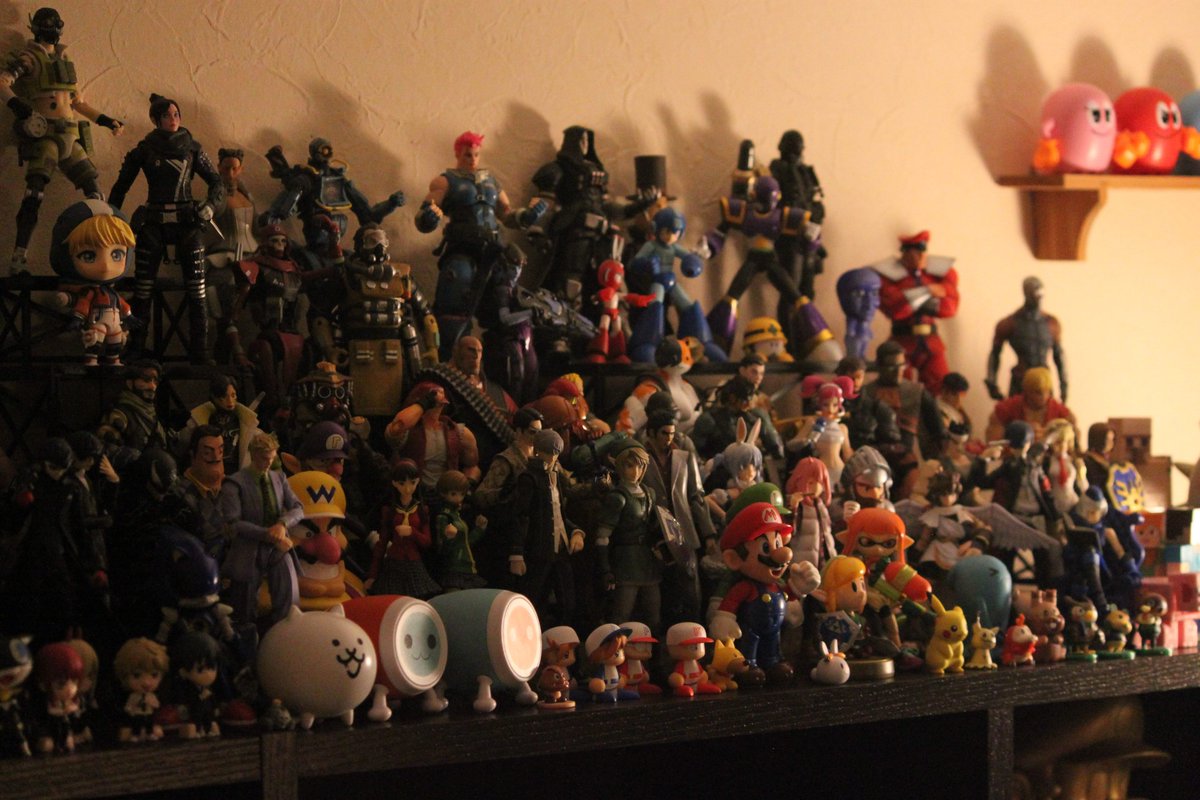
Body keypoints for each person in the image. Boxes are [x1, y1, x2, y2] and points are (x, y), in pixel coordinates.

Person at [1, 7, 124, 274]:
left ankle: (101, 256)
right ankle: (19, 257)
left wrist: (105, 120)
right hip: (46, 136)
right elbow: (3, 81)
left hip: (70, 135)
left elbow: (78, 102)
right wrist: (18, 107)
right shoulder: (29, 58)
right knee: (34, 195)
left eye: (55, 25)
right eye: (48, 25)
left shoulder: (64, 59)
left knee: (95, 194)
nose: (52, 31)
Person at [108, 93, 225, 363]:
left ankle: (200, 351)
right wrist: (111, 217)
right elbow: (121, 186)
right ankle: (136, 347)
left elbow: (216, 181)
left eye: (176, 114)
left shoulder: (193, 149)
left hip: (188, 222)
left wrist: (210, 205)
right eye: (166, 116)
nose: (173, 120)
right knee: (143, 290)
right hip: (153, 222)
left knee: (197, 290)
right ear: (155, 120)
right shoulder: (145, 149)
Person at [416, 131, 545, 354]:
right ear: (458, 154)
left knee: (503, 305)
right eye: (468, 154)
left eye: (476, 154)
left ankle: (503, 358)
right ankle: (450, 357)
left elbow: (507, 215)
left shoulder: (491, 182)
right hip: (462, 249)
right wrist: (428, 217)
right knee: (454, 302)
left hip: (494, 251)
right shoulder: (445, 181)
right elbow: (425, 213)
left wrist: (528, 216)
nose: (473, 159)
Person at [218, 432, 303, 628]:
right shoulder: (235, 483)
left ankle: (287, 631)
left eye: (272, 458)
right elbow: (233, 522)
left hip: (278, 546)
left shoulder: (279, 478)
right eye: (265, 458)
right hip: (249, 549)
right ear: (254, 455)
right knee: (244, 606)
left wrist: (282, 524)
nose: (269, 463)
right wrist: (266, 534)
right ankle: (246, 637)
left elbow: (298, 508)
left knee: (289, 596)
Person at [872, 230, 959, 394]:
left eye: (921, 252)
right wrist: (928, 291)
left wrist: (915, 298)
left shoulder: (939, 274)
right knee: (897, 387)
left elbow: (949, 308)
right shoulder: (887, 276)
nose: (919, 257)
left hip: (931, 341)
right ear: (905, 254)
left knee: (940, 387)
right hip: (902, 341)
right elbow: (895, 309)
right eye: (914, 253)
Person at [986, 276, 1068, 402]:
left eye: (1040, 294)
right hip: (1021, 380)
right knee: (1015, 413)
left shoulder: (1051, 323)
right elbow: (995, 353)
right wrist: (992, 381)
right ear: (1026, 294)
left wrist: (1064, 385)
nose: (1037, 298)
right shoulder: (1010, 323)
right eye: (1034, 294)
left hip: (1044, 382)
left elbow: (1059, 355)